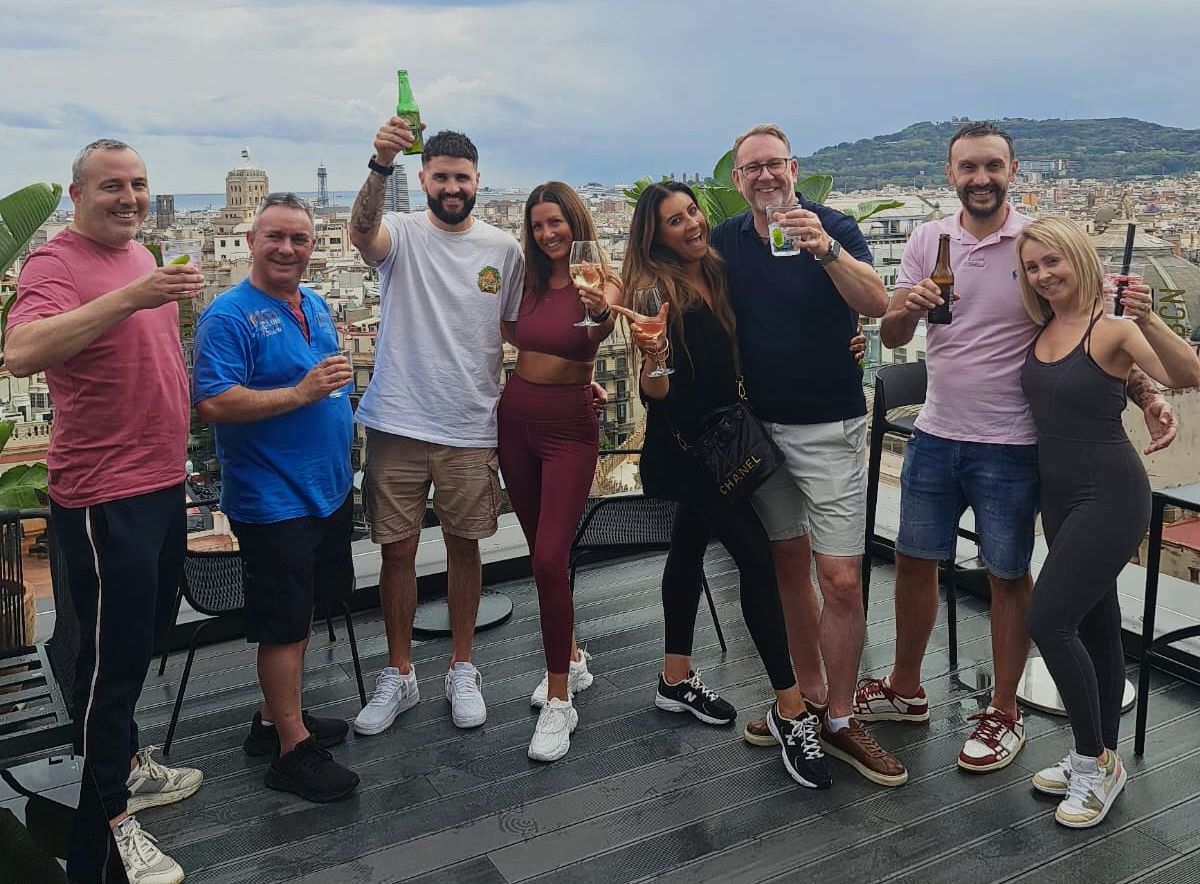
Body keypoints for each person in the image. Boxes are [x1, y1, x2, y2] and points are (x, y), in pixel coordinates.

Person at [862, 122, 1178, 774]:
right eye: (967, 168)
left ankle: (1004, 713)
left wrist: (1144, 391)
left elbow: (1090, 323)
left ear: (1013, 169)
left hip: (1011, 443)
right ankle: (904, 688)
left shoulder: (1037, 243)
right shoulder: (930, 238)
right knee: (914, 560)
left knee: (1008, 575)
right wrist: (910, 307)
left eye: (992, 166)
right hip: (935, 429)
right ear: (951, 175)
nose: (981, 178)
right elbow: (891, 332)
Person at [6, 139, 205, 884]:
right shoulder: (56, 262)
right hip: (103, 495)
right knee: (106, 668)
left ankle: (119, 764)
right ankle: (109, 826)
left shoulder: (142, 255)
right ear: (77, 193)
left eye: (140, 184)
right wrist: (132, 296)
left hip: (157, 483)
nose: (129, 197)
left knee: (147, 634)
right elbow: (21, 351)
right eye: (112, 186)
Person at [613, 181, 832, 789]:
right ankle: (791, 711)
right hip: (687, 447)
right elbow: (654, 392)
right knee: (758, 561)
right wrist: (653, 357)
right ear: (653, 234)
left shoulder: (717, 268)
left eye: (691, 213)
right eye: (673, 220)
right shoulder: (655, 289)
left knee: (688, 548)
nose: (689, 225)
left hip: (723, 439)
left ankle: (674, 677)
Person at [710, 124, 906, 787]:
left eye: (773, 164)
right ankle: (812, 702)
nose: (763, 176)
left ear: (793, 168)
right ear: (737, 182)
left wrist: (824, 251)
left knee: (842, 579)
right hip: (761, 434)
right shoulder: (727, 240)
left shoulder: (835, 227)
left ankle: (845, 718)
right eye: (750, 169)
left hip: (830, 428)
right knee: (790, 567)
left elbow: (876, 303)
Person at [1017, 216, 1199, 826]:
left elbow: (1188, 373)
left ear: (1078, 259)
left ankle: (1094, 761)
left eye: (1053, 262)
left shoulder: (1113, 328)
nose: (1043, 274)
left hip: (1111, 494)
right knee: (1095, 622)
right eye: (1033, 266)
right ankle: (1098, 757)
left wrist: (1148, 318)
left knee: (1047, 617)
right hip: (1060, 496)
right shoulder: (1043, 326)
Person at [348, 121, 523, 736]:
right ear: (422, 180)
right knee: (395, 552)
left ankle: (462, 665)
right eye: (441, 176)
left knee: (464, 546)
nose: (452, 186)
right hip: (396, 420)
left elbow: (515, 329)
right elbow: (361, 233)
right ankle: (400, 673)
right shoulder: (401, 232)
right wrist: (380, 161)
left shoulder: (503, 250)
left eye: (462, 177)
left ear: (478, 182)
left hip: (469, 422)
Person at [192, 192, 360, 803]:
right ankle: (292, 751)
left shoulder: (312, 302)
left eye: (301, 239)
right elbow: (212, 401)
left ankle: (273, 721)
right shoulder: (228, 315)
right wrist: (301, 392)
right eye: (276, 238)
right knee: (284, 627)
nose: (288, 249)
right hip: (274, 498)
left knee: (305, 610)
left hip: (325, 491)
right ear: (252, 241)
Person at [499, 182, 620, 761]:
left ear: (575, 223)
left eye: (557, 223)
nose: (549, 234)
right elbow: (509, 334)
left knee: (550, 557)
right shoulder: (523, 281)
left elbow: (601, 332)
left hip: (569, 430)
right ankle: (570, 657)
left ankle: (558, 700)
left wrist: (597, 316)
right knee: (537, 553)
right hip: (515, 422)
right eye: (539, 225)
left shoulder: (599, 277)